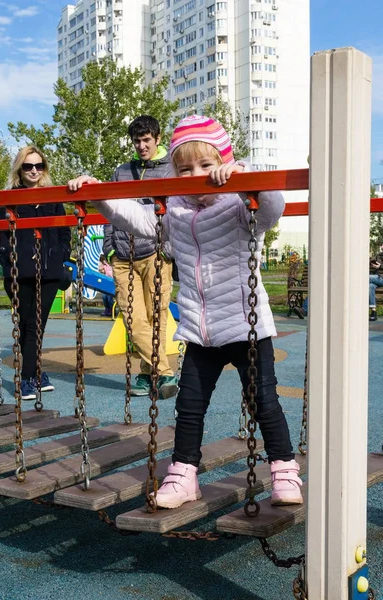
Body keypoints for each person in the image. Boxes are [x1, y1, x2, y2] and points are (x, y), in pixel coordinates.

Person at [68, 114, 303, 510]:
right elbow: (137, 219)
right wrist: (99, 193)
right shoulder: (173, 210)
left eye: (206, 165)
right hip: (198, 329)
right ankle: (183, 476)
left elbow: (273, 209)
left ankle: (284, 472)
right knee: (189, 407)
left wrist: (246, 177)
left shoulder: (240, 203)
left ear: (223, 162)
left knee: (263, 401)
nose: (196, 175)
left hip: (246, 327)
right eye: (185, 168)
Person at [72, 115, 177, 400]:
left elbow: (178, 209)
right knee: (132, 319)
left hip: (155, 253)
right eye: (137, 141)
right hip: (122, 255)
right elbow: (111, 211)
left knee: (157, 318)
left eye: (146, 140)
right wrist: (108, 247)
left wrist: (168, 248)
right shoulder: (122, 171)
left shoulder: (171, 170)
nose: (142, 146)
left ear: (157, 139)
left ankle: (147, 374)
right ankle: (164, 371)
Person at [0, 146, 71, 400]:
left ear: (44, 169)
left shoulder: (52, 198)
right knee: (25, 324)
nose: (34, 171)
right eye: (28, 166)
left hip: (48, 272)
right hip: (19, 272)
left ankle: (27, 378)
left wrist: (61, 256)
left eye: (38, 166)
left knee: (36, 323)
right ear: (20, 169)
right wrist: (8, 258)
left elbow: (64, 232)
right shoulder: (8, 199)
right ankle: (34, 373)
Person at [369, 249, 383, 321]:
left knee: (366, 278)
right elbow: (371, 261)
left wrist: (380, 266)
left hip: (381, 278)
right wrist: (372, 264)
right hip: (376, 278)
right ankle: (373, 311)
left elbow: (380, 266)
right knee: (370, 286)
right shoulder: (378, 255)